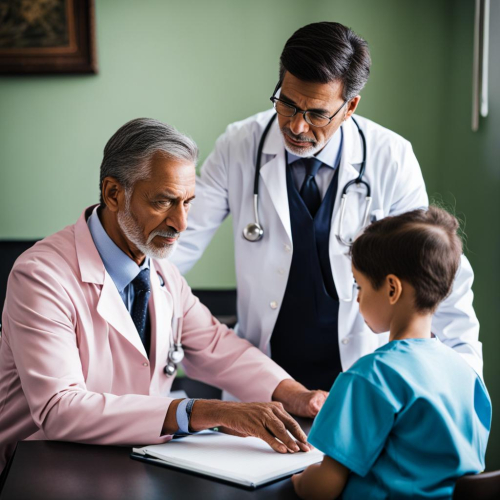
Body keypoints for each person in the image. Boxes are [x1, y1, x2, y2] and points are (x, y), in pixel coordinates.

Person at [0, 118, 328, 473]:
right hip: (41, 467)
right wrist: (206, 411)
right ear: (113, 194)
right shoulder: (41, 276)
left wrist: (296, 394)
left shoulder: (159, 272)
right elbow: (58, 409)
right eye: (164, 202)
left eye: (188, 202)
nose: (181, 223)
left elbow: (217, 346)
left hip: (130, 461)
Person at [171, 22, 482, 392]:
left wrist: (466, 384)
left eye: (317, 113)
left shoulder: (390, 158)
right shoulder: (240, 145)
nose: (297, 127)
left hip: (361, 380)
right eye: (286, 103)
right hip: (265, 380)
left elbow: (436, 270)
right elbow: (179, 243)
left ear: (349, 106)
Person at [291, 207, 491, 500]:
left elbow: (323, 488)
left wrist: (299, 481)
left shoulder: (370, 376)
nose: (357, 297)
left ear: (392, 289)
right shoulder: (466, 373)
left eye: (360, 284)